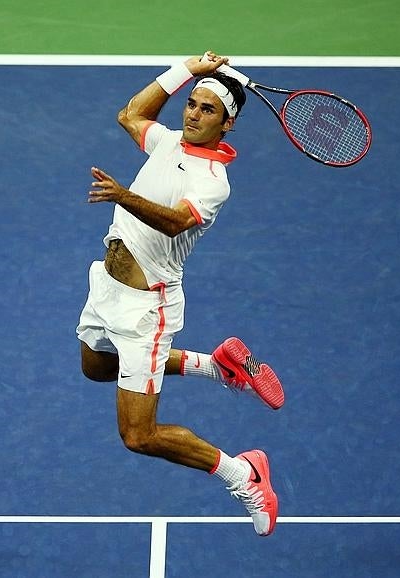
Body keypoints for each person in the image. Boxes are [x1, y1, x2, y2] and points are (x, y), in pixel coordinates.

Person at [76, 51, 285, 537]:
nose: (192, 114)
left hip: (147, 305)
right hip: (106, 287)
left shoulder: (214, 182)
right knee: (96, 368)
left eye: (207, 109)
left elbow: (174, 223)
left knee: (139, 434)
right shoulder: (168, 142)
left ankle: (245, 474)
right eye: (191, 104)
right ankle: (215, 365)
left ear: (227, 124)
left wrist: (122, 194)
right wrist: (188, 69)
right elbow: (130, 113)